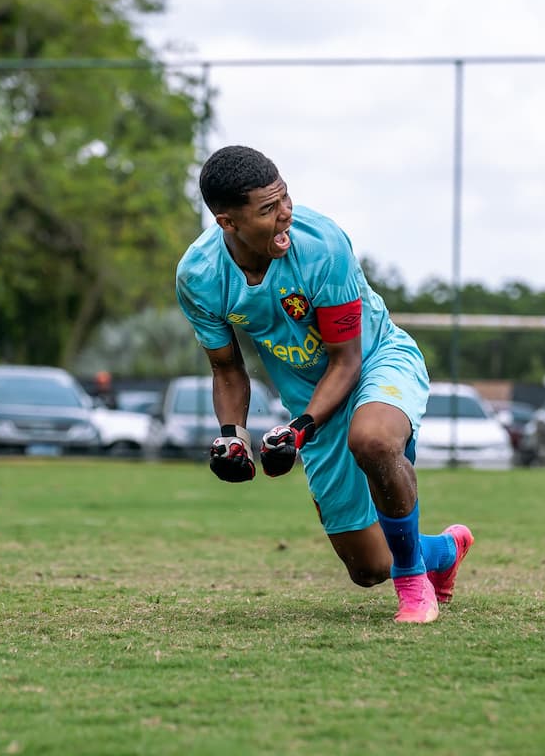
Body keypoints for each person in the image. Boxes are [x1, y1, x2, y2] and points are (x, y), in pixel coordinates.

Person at [176, 145, 473, 624]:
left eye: (286, 198)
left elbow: (347, 359)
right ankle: (443, 551)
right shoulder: (199, 276)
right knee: (369, 567)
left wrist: (299, 429)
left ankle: (414, 585)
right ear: (227, 222)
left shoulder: (321, 244)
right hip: (311, 401)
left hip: (377, 361)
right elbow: (227, 369)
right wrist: (233, 437)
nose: (285, 215)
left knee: (373, 441)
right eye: (268, 209)